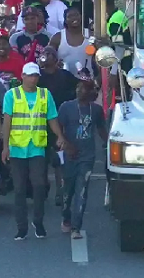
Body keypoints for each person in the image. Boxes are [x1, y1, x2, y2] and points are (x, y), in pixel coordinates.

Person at [2, 62, 67, 240]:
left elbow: (52, 118)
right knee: (19, 188)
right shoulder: (12, 95)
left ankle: (38, 222)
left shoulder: (45, 95)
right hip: (17, 148)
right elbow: (7, 122)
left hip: (37, 147)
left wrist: (60, 136)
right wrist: (5, 147)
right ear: (22, 76)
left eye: (35, 76)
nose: (33, 79)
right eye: (30, 75)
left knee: (39, 185)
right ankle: (21, 227)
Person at [58, 72, 106, 238]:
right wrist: (65, 145)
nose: (79, 90)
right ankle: (66, 217)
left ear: (91, 91)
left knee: (82, 190)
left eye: (84, 88)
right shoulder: (66, 107)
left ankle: (76, 227)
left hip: (87, 155)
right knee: (68, 190)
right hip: (70, 155)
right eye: (78, 87)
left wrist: (108, 145)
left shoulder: (96, 110)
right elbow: (59, 130)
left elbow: (101, 130)